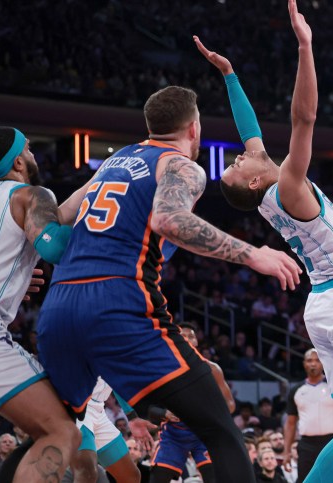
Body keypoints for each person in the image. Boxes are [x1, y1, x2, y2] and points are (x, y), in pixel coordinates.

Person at [36, 47, 301, 483]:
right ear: (194, 129)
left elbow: (58, 214)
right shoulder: (182, 166)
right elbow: (169, 219)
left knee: (55, 433)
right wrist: (255, 253)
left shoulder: (114, 162)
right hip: (117, 301)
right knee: (221, 431)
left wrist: (37, 247)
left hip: (59, 305)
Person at [195, 2, 333, 482]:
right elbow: (304, 119)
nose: (242, 154)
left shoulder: (267, 189)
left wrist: (231, 75)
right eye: (239, 164)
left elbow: (250, 130)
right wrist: (305, 45)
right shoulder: (288, 188)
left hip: (324, 305)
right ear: (254, 183)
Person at [0, 126, 82, 482]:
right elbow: (55, 247)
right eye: (30, 149)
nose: (34, 156)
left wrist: (16, 277)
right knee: (61, 431)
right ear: (18, 160)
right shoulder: (32, 194)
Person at [150, 322, 236, 483]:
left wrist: (207, 413)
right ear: (175, 340)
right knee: (158, 478)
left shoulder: (212, 369)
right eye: (183, 336)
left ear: (196, 342)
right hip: (175, 433)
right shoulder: (162, 369)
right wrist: (165, 413)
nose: (188, 340)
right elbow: (148, 407)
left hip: (204, 432)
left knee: (215, 477)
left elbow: (230, 406)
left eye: (192, 336)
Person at [280, 350, 333, 482]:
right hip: (306, 445)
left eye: (317, 360)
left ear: (323, 363)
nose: (313, 364)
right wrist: (286, 451)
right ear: (304, 364)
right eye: (310, 360)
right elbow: (290, 423)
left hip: (331, 442)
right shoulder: (296, 390)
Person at [72, 378, 141, 483]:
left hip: (99, 409)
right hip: (77, 404)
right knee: (87, 474)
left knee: (131, 477)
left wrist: (132, 415)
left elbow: (117, 378)